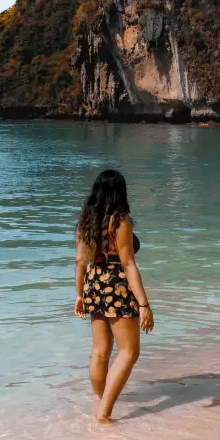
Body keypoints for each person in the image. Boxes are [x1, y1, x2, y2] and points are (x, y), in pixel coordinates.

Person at [74, 169, 154, 422]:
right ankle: (104, 413)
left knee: (100, 351)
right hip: (117, 285)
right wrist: (144, 304)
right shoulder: (120, 221)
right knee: (129, 352)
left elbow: (79, 263)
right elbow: (128, 264)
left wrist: (79, 296)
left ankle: (102, 401)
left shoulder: (86, 220)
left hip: (93, 284)